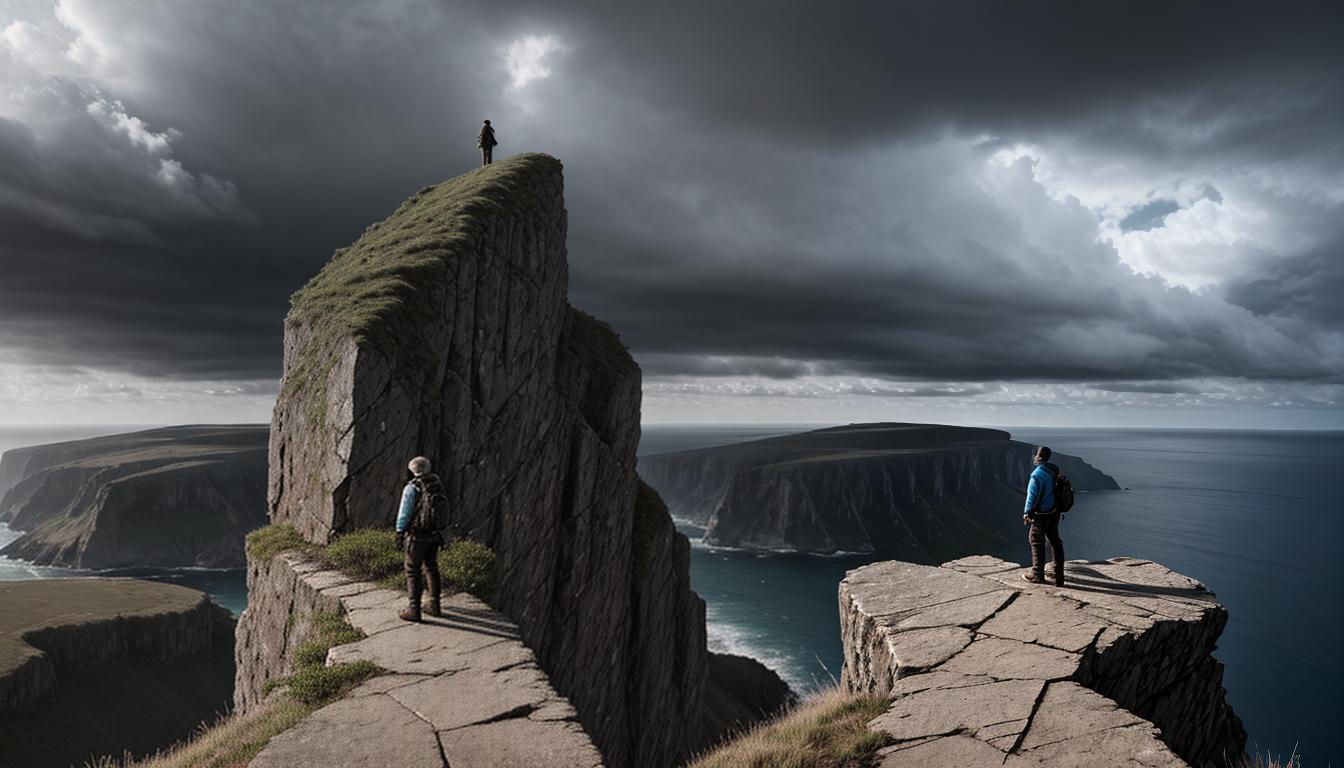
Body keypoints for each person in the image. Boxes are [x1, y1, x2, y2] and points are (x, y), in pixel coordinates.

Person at [395, 455, 444, 622]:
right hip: (435, 535)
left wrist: (400, 532)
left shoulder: (412, 488)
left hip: (417, 535)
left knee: (412, 569)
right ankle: (434, 604)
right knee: (431, 567)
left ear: (412, 470)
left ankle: (414, 609)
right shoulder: (436, 484)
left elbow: (405, 512)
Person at [1021, 446, 1065, 586]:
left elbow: (1031, 497)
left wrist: (1027, 513)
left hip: (1040, 515)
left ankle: (1037, 574)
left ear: (1037, 456)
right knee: (1055, 541)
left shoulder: (1037, 474)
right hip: (1054, 512)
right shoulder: (1054, 470)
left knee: (1035, 541)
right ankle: (1059, 575)